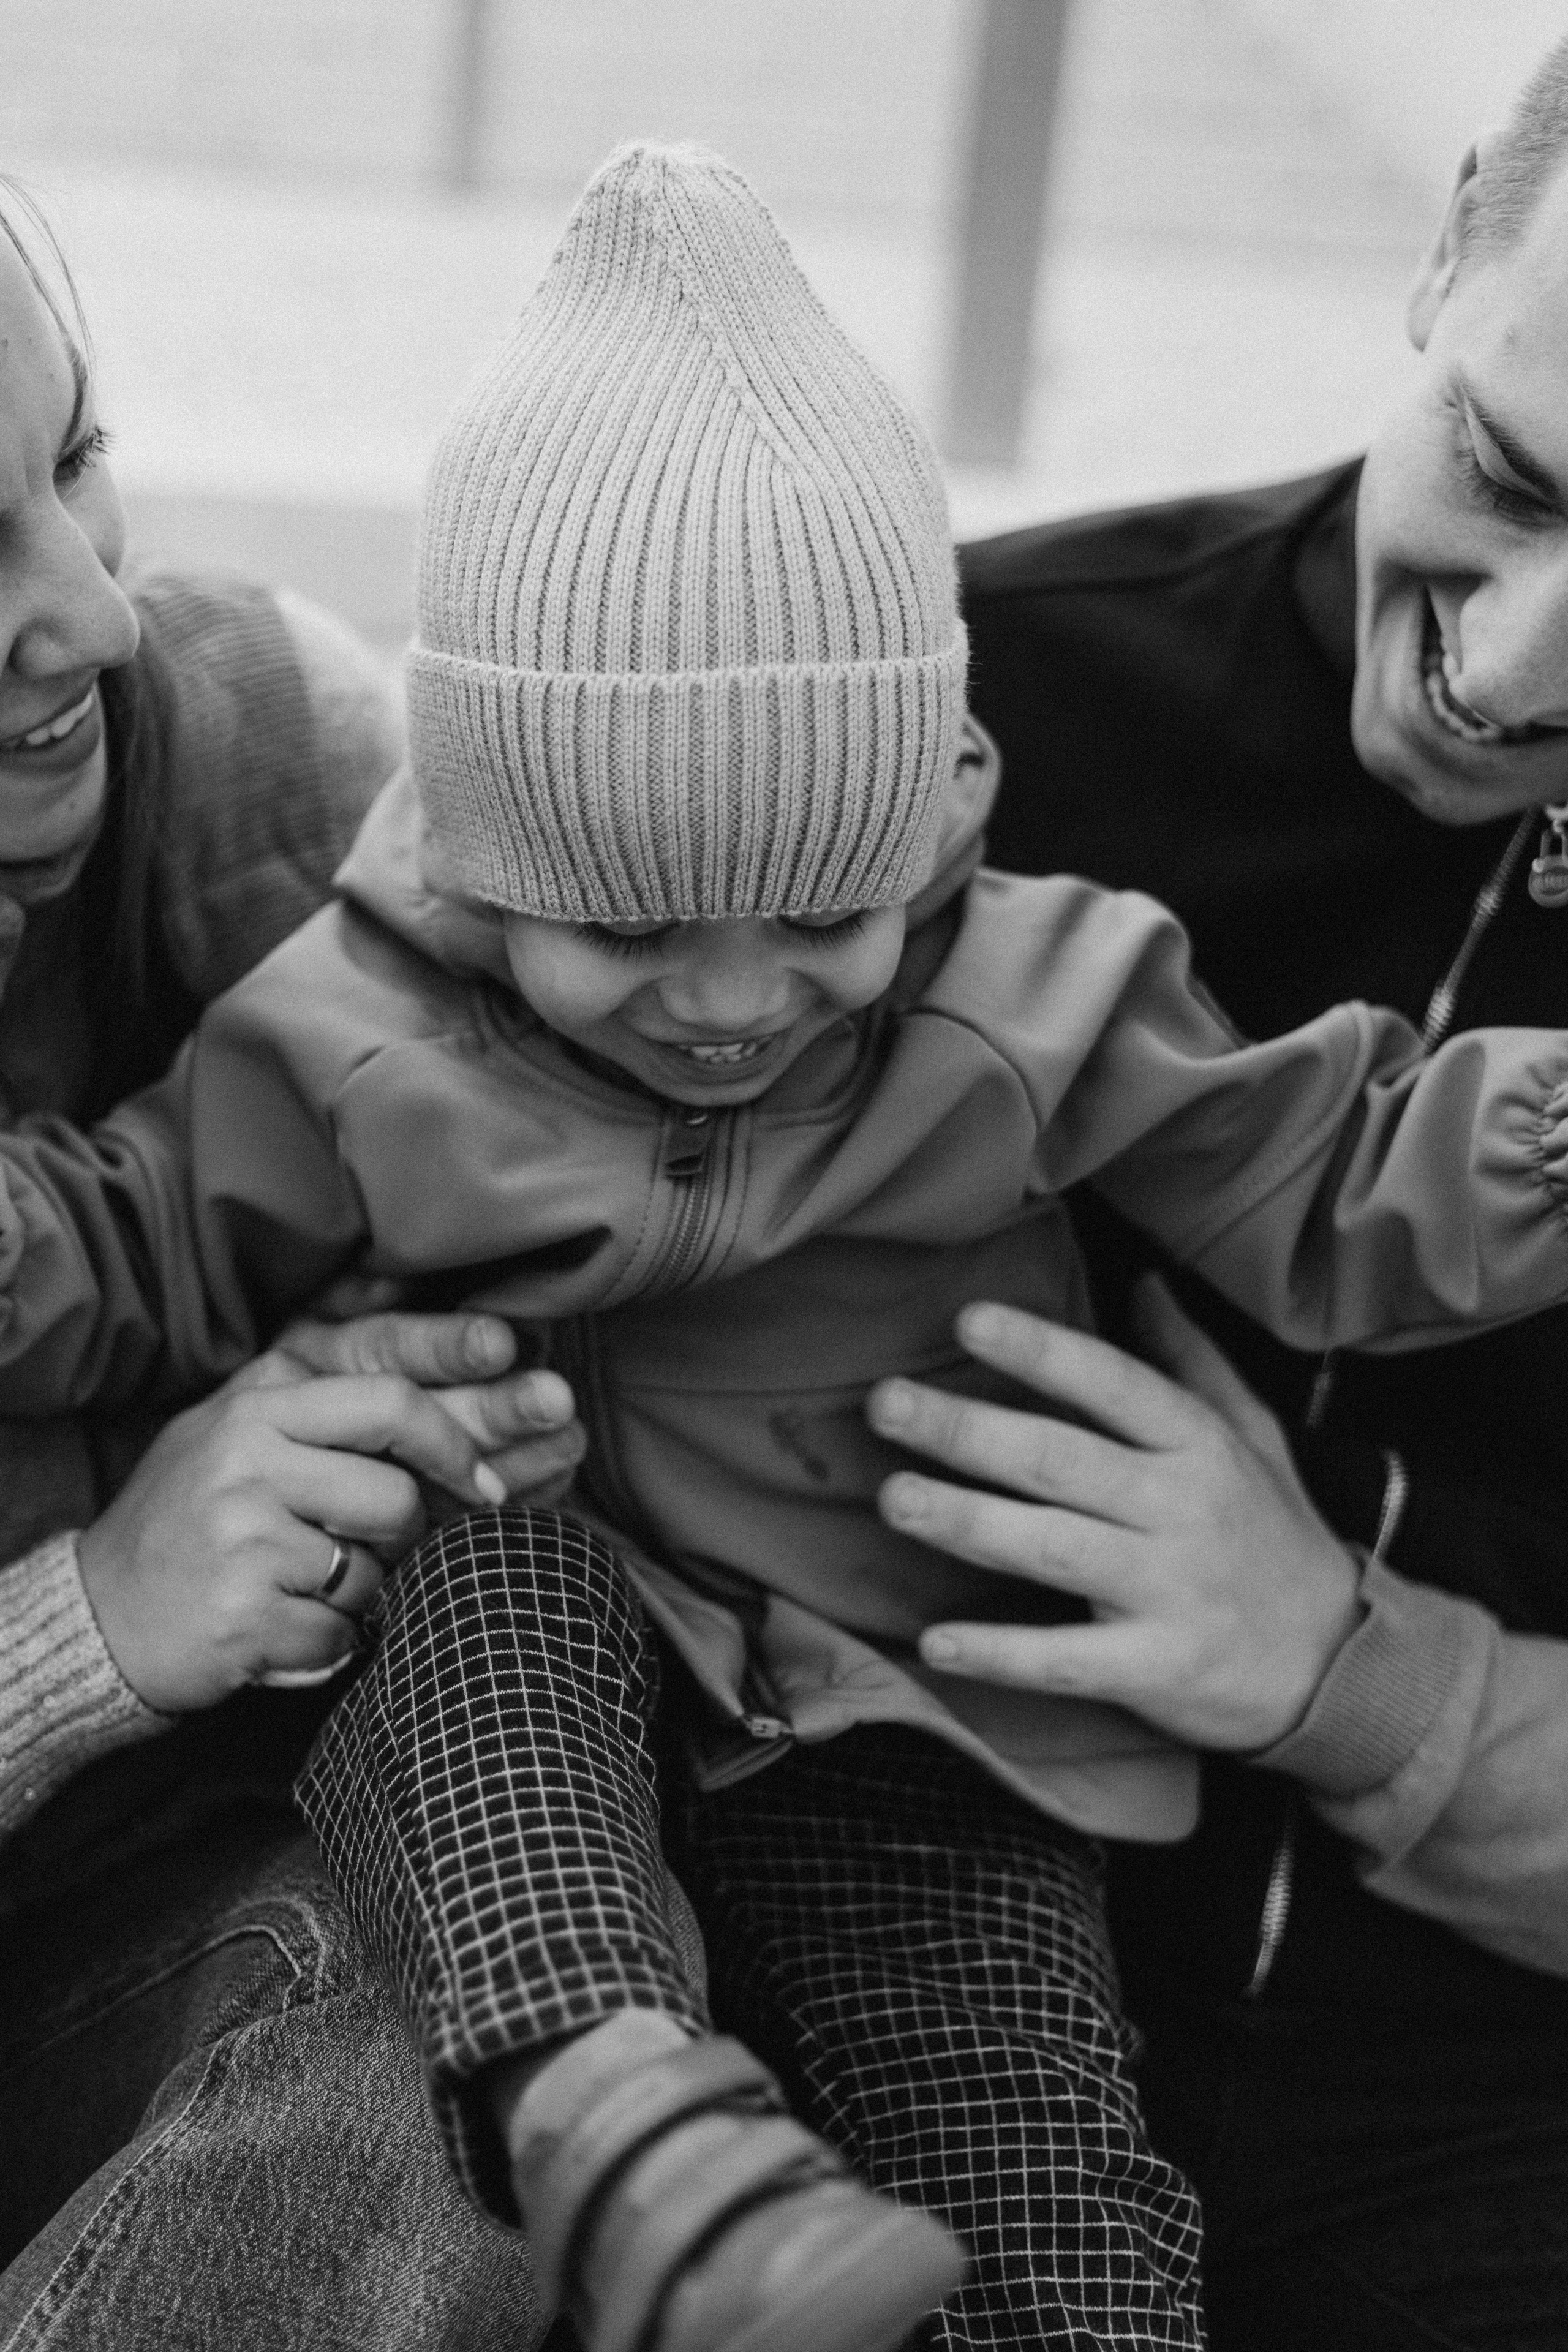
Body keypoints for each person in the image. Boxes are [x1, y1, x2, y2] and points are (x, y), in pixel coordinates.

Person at [10, 143, 1568, 2352]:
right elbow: (147, 1229)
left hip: (901, 1700)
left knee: (1040, 2157)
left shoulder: (1042, 996)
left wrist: (1542, 1126)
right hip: (539, 1609)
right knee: (470, 1547)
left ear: (943, 804)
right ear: (475, 861)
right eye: (628, 931)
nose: (734, 1001)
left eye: (827, 916)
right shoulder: (369, 1025)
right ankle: (621, 2113)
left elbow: (1325, 1176)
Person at [865, 36, 1568, 2350]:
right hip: (900, 1970)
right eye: (1510, 468)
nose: (1516, 672)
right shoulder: (973, 695)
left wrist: (1351, 1681)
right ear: (1452, 240)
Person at [0, 181, 586, 2350]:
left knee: (496, 2059)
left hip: (150, 1941)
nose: (92, 617)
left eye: (72, 463)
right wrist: (92, 1624)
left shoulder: (268, 760)